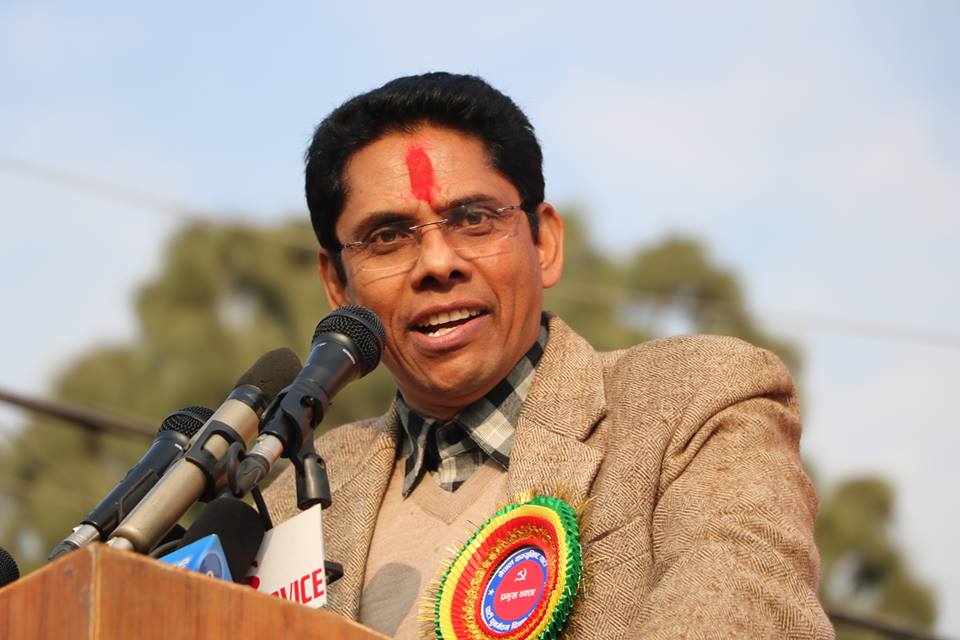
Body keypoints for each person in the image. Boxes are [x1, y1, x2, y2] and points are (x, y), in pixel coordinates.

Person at [263, 72, 833, 639]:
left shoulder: (694, 404)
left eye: (473, 219)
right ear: (337, 284)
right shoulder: (286, 503)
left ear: (544, 243)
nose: (437, 263)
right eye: (388, 236)